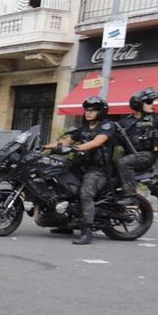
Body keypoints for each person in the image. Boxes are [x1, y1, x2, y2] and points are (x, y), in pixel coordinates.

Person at [45, 95, 116, 246]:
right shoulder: (83, 129)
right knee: (59, 180)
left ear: (101, 112)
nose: (88, 113)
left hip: (98, 170)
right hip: (80, 166)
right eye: (87, 110)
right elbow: (66, 141)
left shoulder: (107, 127)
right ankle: (64, 223)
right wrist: (44, 147)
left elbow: (97, 142)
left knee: (85, 194)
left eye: (93, 110)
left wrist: (75, 148)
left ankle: (87, 231)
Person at [115, 87, 158, 198]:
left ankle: (130, 195)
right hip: (131, 154)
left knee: (124, 162)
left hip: (147, 155)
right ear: (138, 104)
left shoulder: (157, 119)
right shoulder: (125, 122)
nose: (152, 105)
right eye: (148, 102)